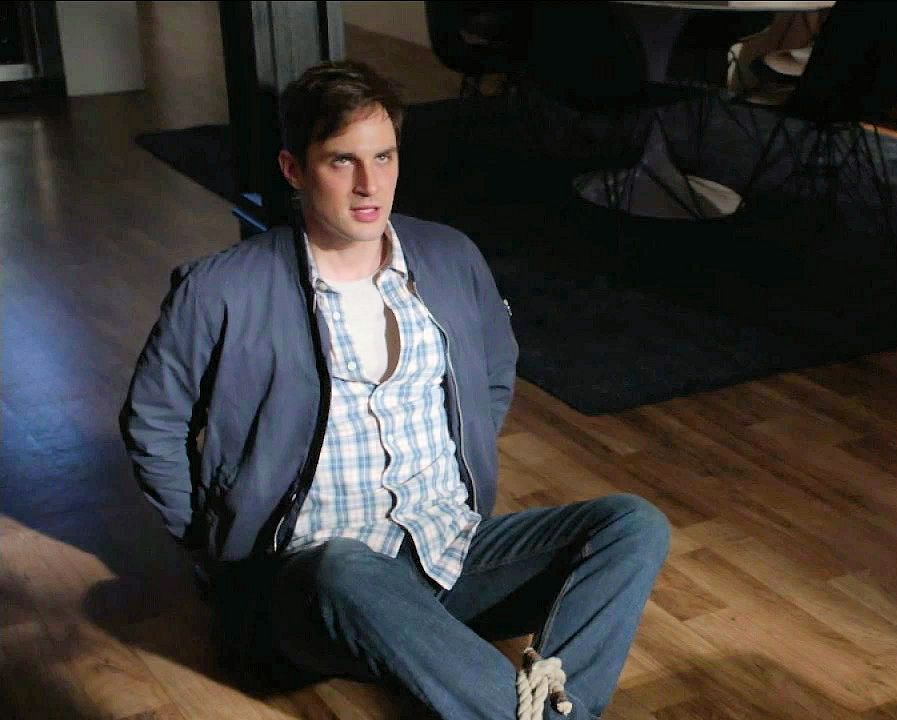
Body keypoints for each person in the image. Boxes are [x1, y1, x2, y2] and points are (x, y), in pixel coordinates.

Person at [118, 60, 670, 719]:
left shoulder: (450, 256)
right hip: (312, 582)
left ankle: (544, 708)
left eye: (384, 156)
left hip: (446, 551)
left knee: (631, 524)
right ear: (293, 170)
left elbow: (494, 372)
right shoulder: (221, 289)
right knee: (345, 567)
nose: (369, 183)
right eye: (341, 161)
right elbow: (153, 421)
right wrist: (211, 542)